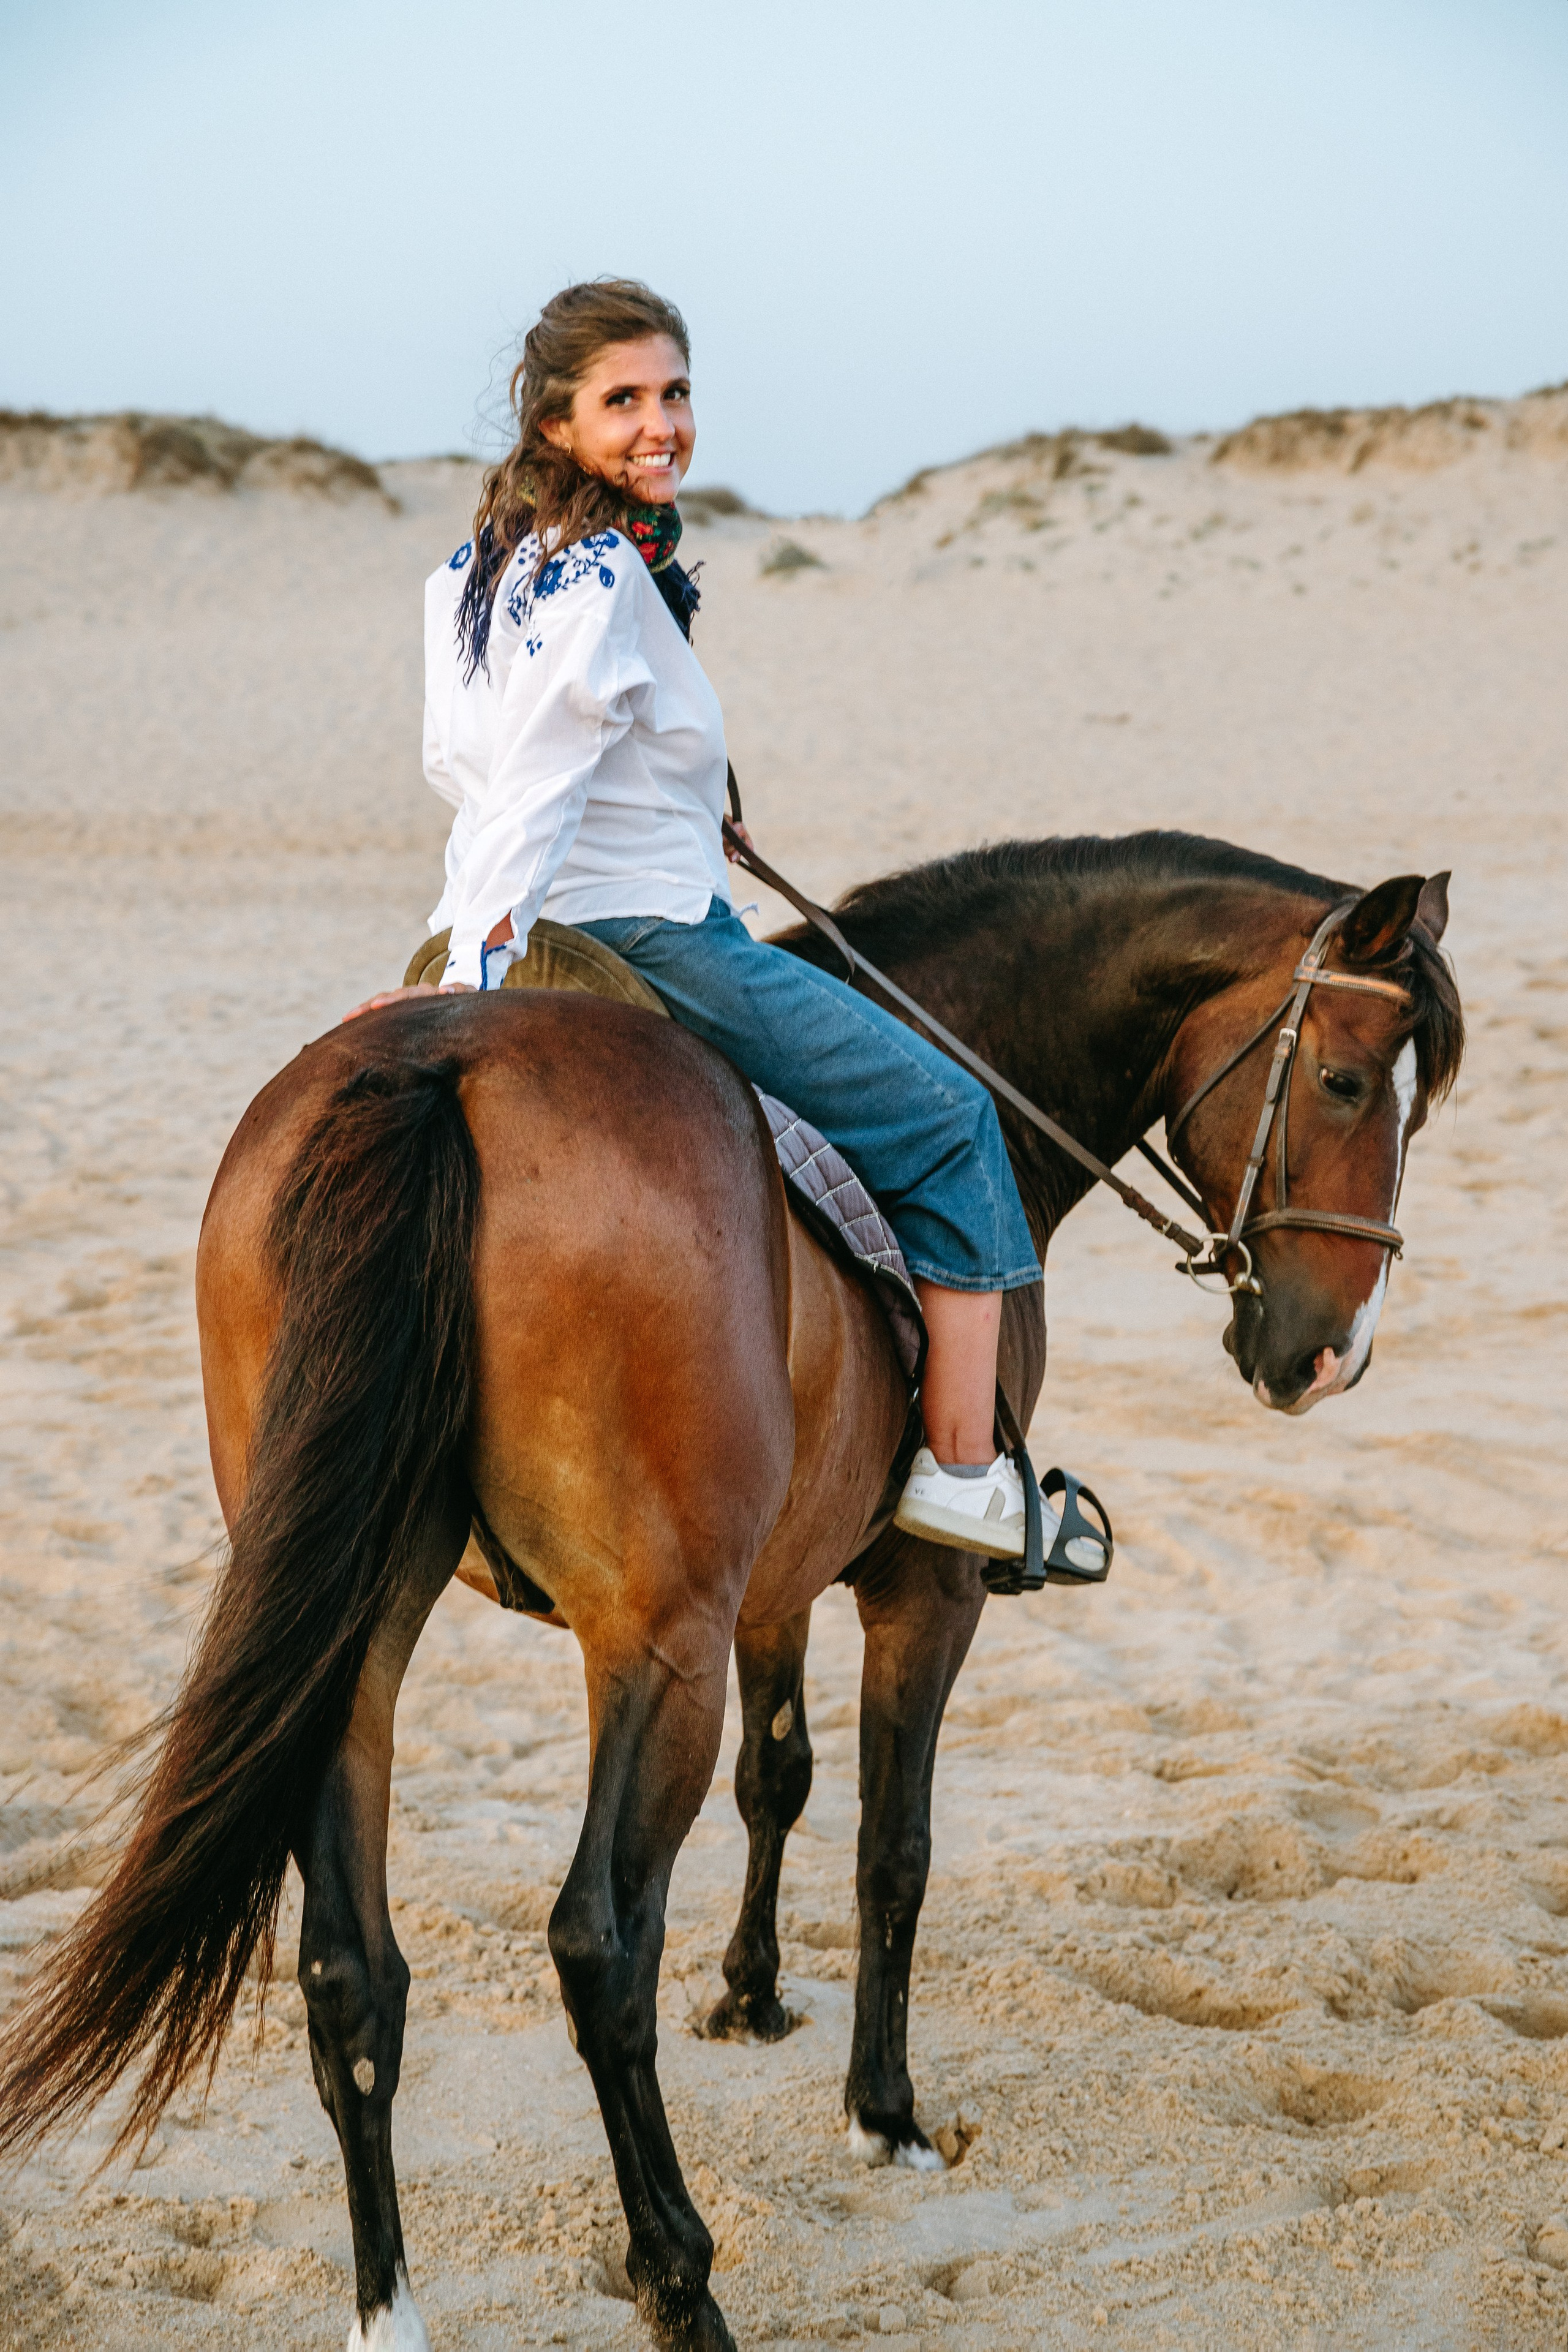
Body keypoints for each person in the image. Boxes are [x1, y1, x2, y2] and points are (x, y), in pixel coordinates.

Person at [354, 278, 1044, 1561]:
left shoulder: (465, 574)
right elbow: (538, 783)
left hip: (525, 919)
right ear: (553, 424)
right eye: (621, 401)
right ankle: (964, 1475)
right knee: (951, 1123)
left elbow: (485, 783)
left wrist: (456, 949)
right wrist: (468, 969)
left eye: (673, 393)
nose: (659, 424)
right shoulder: (607, 569)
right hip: (657, 940)